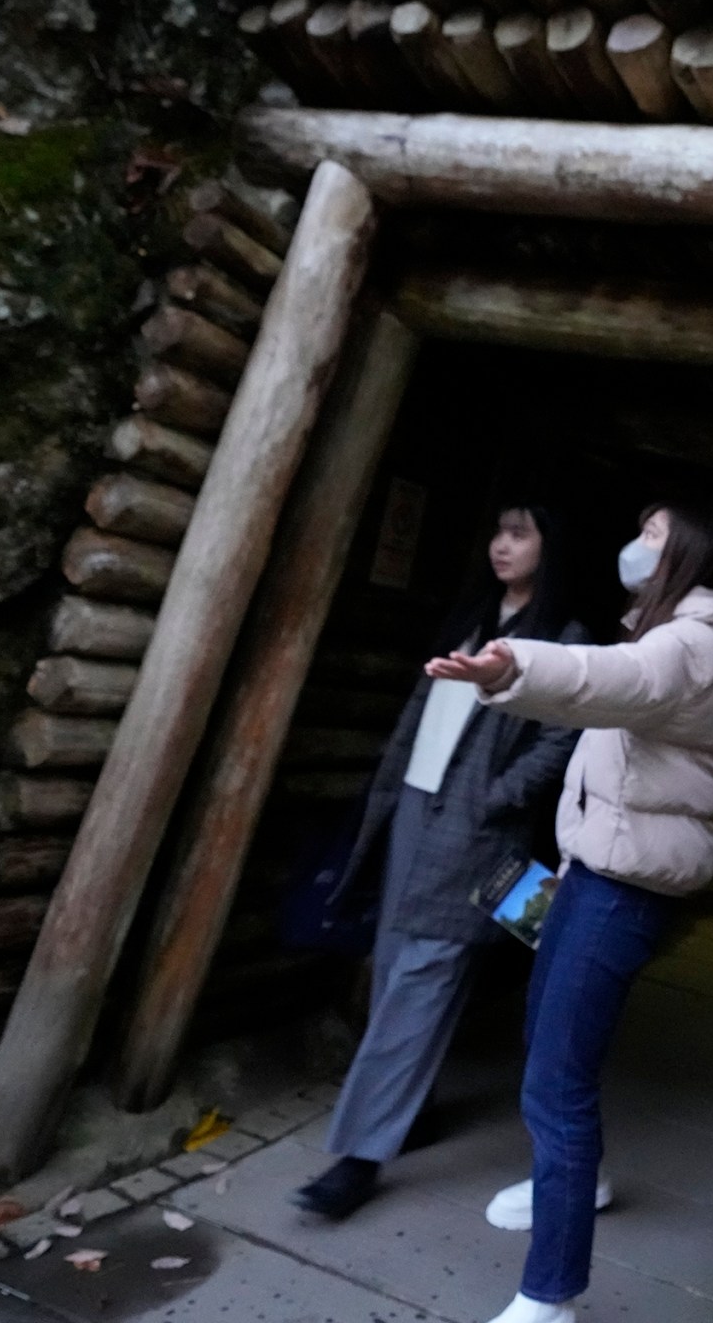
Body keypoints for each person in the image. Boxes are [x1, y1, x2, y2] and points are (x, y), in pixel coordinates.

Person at [428, 503, 713, 1323]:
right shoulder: (671, 633)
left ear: (688, 552)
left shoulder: (687, 648)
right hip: (592, 875)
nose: (635, 545)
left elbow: (613, 684)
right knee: (551, 1049)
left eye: (652, 535)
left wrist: (511, 668)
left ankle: (550, 1294)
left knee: (556, 1080)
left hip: (621, 892)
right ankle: (580, 1184)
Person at [293, 504, 589, 1222]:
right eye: (498, 529)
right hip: (413, 819)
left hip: (477, 835)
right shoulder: (473, 617)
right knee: (396, 970)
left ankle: (359, 1159)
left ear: (553, 547)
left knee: (422, 981)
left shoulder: (564, 639)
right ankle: (411, 1110)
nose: (502, 544)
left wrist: (497, 798)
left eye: (521, 531)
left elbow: (562, 737)